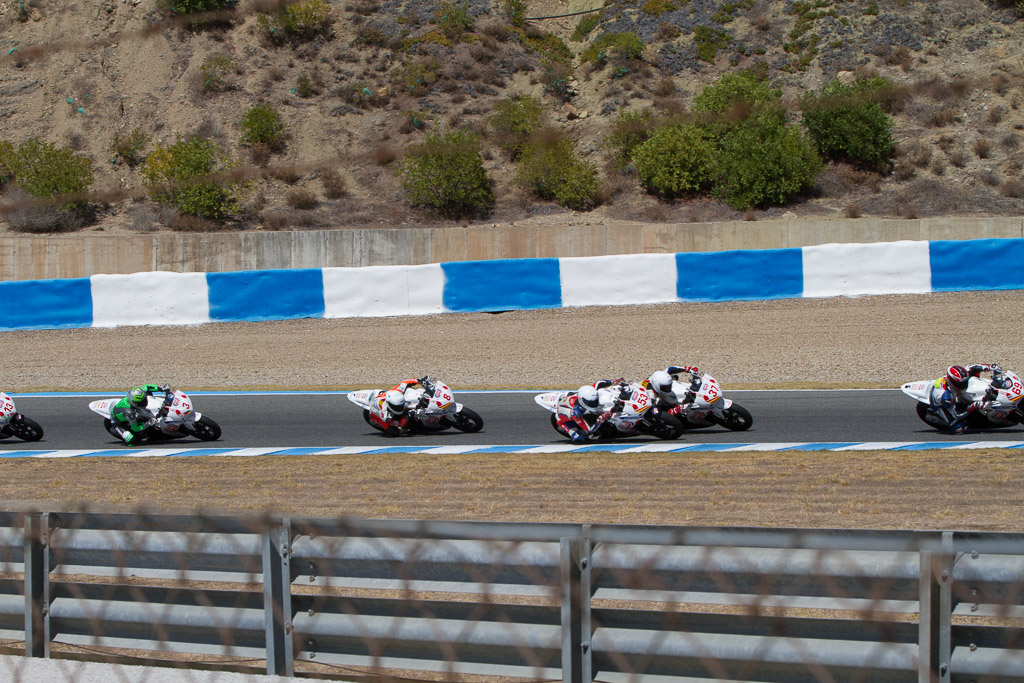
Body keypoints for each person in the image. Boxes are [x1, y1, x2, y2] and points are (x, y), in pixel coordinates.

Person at [928, 364, 1002, 434]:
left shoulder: (962, 375)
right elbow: (957, 415)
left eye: (965, 382)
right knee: (958, 429)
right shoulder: (947, 397)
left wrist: (991, 367)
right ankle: (950, 423)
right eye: (961, 384)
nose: (964, 385)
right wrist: (973, 406)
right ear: (953, 382)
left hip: (954, 393)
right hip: (939, 403)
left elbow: (974, 367)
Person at [366, 377, 434, 437]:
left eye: (400, 406)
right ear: (389, 404)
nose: (399, 408)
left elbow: (405, 383)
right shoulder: (384, 413)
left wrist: (420, 380)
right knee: (394, 432)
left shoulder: (398, 392)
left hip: (388, 396)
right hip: (378, 415)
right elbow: (397, 424)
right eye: (397, 407)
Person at [554, 384, 622, 443]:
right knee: (579, 439)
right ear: (582, 400)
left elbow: (599, 383)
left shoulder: (587, 395)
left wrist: (613, 382)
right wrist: (601, 418)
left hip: (571, 402)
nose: (593, 404)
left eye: (595, 401)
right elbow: (589, 429)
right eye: (590, 403)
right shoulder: (576, 413)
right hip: (564, 419)